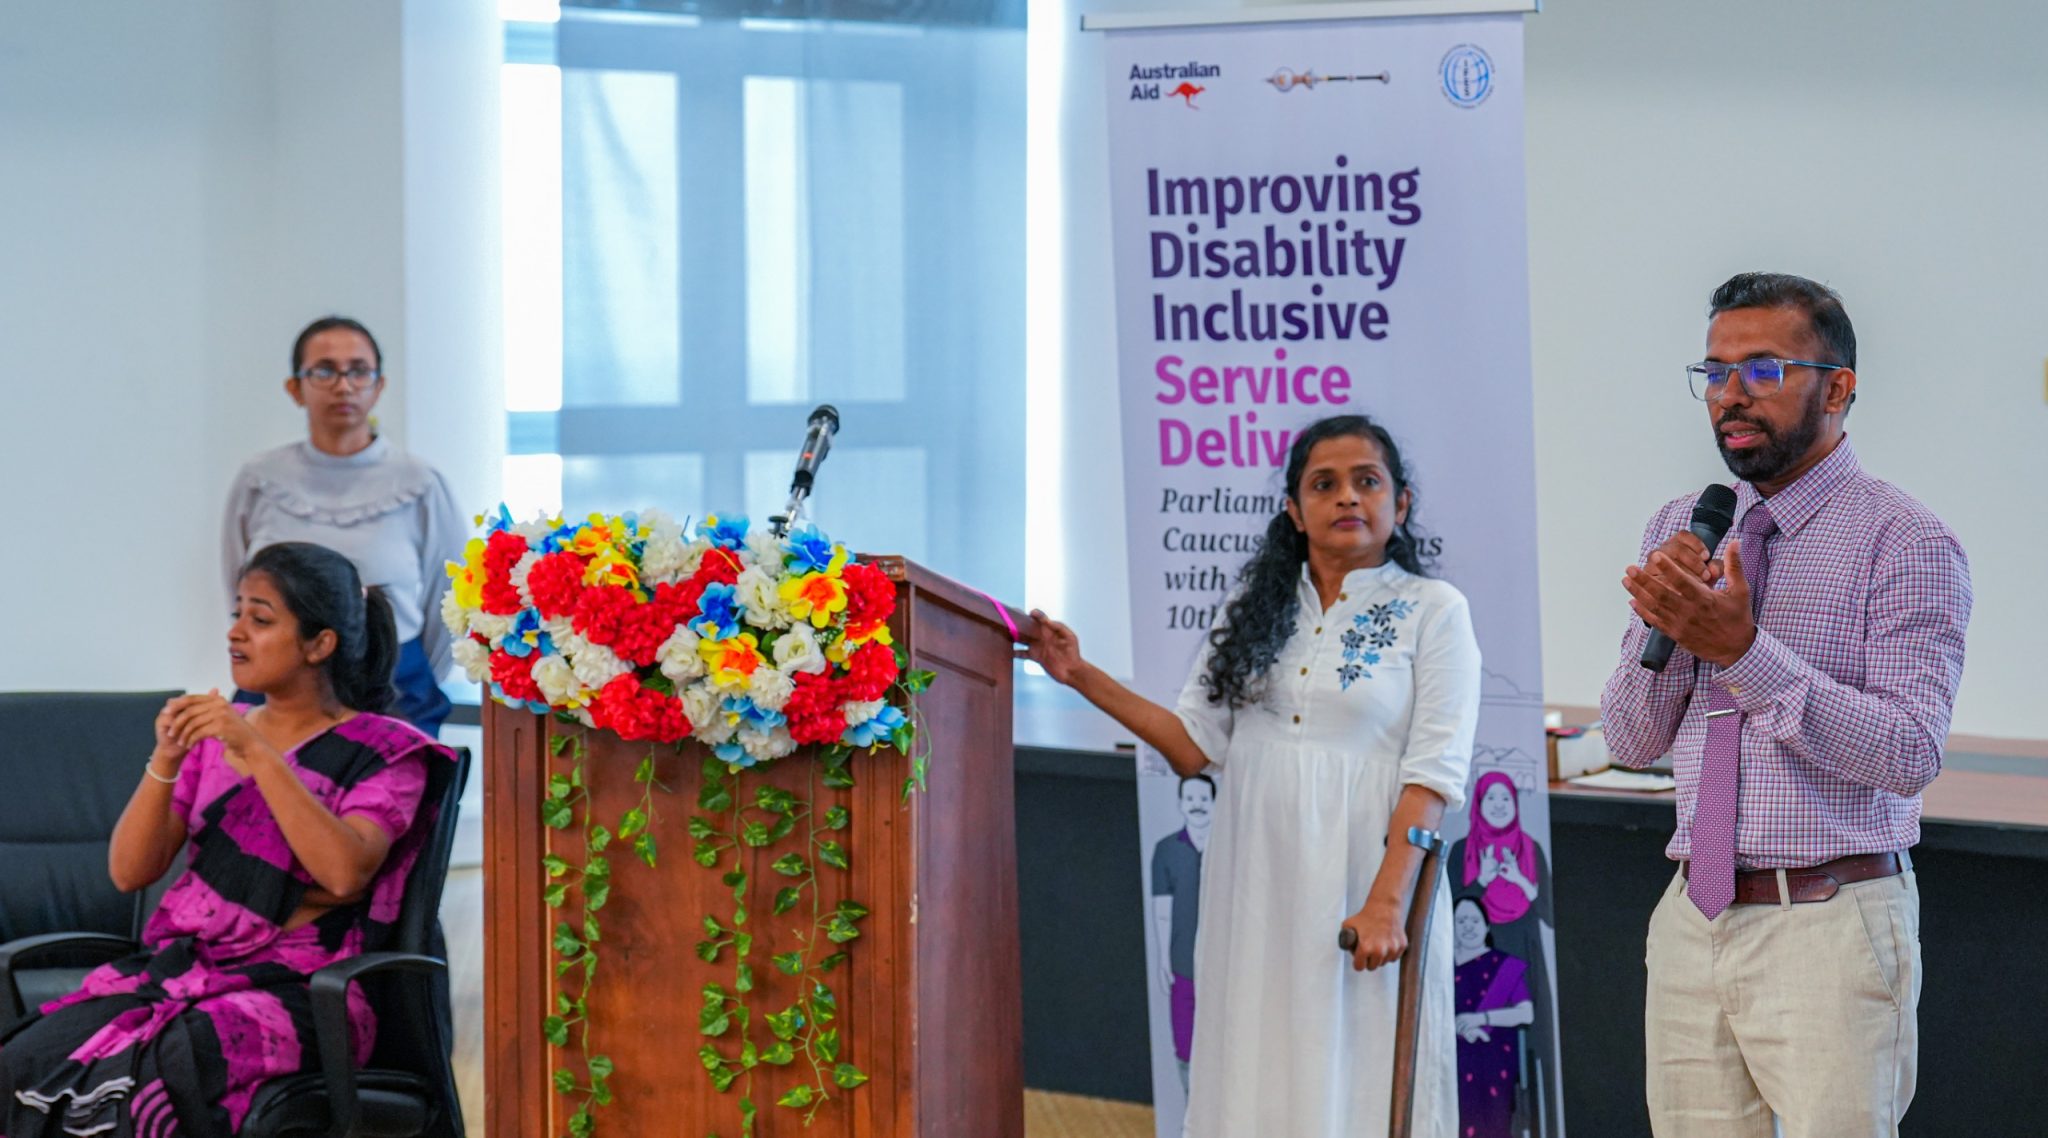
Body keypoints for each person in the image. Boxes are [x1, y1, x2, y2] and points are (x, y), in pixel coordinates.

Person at [1022, 413, 1482, 1138]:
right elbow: (1191, 746)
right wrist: (1078, 674)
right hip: (1256, 880)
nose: (1347, 497)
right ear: (1294, 511)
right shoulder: (1254, 609)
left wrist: (1386, 904)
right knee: (1254, 1060)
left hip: (1365, 880)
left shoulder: (1435, 611)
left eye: (1367, 481)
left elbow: (1433, 775)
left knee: (1356, 1068)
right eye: (1323, 485)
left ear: (1402, 502)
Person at [1601, 273, 1971, 1138]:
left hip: (1829, 921)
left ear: (1837, 388)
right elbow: (1631, 737)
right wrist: (1673, 634)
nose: (1730, 394)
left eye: (1762, 370)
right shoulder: (1685, 525)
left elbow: (1909, 753)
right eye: (1715, 371)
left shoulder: (1905, 539)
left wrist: (1742, 653)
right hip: (1693, 919)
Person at [0, 542, 457, 1137]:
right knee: (24, 1058)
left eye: (260, 619)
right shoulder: (214, 741)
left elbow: (344, 873)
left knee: (164, 1070)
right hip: (183, 974)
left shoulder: (386, 751)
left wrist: (260, 754)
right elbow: (129, 871)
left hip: (304, 994)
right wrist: (166, 757)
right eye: (237, 613)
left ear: (320, 644)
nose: (235, 632)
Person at [222, 316, 467, 736]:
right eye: (324, 371)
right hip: (277, 684)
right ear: (295, 388)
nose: (343, 386)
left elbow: (450, 598)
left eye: (358, 371)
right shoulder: (259, 479)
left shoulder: (420, 482)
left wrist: (399, 666)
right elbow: (237, 582)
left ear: (379, 385)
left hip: (396, 684)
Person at [1444, 769, 1556, 1137]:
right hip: (1470, 966)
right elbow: (1447, 912)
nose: (1498, 805)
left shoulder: (1530, 849)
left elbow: (1550, 915)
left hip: (1521, 961)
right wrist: (1483, 880)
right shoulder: (1462, 850)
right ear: (1477, 804)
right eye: (1490, 798)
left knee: (1526, 1059)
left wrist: (1521, 880)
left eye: (1505, 797)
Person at [1150, 773, 1214, 1095]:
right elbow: (1162, 909)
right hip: (1182, 964)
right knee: (1185, 1044)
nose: (1196, 805)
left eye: (1203, 799)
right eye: (1189, 799)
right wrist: (1164, 958)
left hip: (1223, 966)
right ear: (1179, 804)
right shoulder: (1165, 850)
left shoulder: (1230, 848)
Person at [1451, 896, 1534, 1138]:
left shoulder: (1503, 966)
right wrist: (1459, 1028)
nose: (1468, 926)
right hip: (1452, 1055)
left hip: (1492, 1058)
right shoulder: (1441, 965)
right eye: (1461, 921)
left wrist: (1480, 1019)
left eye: (1474, 920)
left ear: (1486, 926)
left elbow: (1526, 1013)